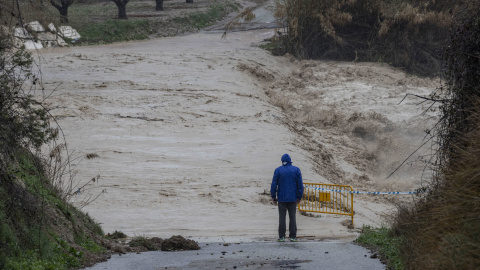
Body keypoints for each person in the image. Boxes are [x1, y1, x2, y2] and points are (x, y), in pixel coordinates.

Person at [271, 153, 303, 242]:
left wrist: (273, 196)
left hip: (281, 198)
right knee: (292, 217)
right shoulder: (296, 170)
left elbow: (274, 184)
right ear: (290, 161)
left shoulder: (278, 170)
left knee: (282, 217)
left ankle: (281, 236)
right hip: (293, 198)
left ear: (282, 161)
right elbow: (300, 185)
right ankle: (293, 236)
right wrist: (299, 197)